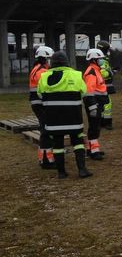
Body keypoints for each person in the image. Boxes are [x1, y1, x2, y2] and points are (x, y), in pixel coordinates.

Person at [37, 50, 92, 179]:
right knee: (78, 141)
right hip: (73, 116)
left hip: (53, 119)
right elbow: (83, 92)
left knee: (57, 144)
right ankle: (82, 170)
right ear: (66, 61)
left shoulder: (44, 77)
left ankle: (61, 172)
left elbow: (40, 94)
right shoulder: (76, 75)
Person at [29, 45, 55, 169]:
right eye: (49, 58)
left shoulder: (36, 68)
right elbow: (47, 88)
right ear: (44, 59)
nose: (51, 61)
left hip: (37, 103)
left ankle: (45, 157)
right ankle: (46, 160)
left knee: (45, 129)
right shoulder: (42, 72)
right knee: (46, 130)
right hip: (41, 104)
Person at [83, 48, 108, 160]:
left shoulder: (95, 70)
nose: (102, 60)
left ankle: (92, 149)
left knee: (95, 126)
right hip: (94, 103)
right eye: (100, 59)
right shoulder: (91, 72)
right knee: (94, 127)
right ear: (94, 60)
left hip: (97, 102)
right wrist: (93, 107)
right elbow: (89, 91)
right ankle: (93, 151)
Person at [96, 40, 115, 129]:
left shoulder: (99, 59)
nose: (108, 51)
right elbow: (103, 74)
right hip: (103, 85)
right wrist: (111, 73)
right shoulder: (102, 60)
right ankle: (107, 123)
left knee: (101, 104)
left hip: (101, 85)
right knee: (107, 104)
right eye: (107, 49)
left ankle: (101, 122)